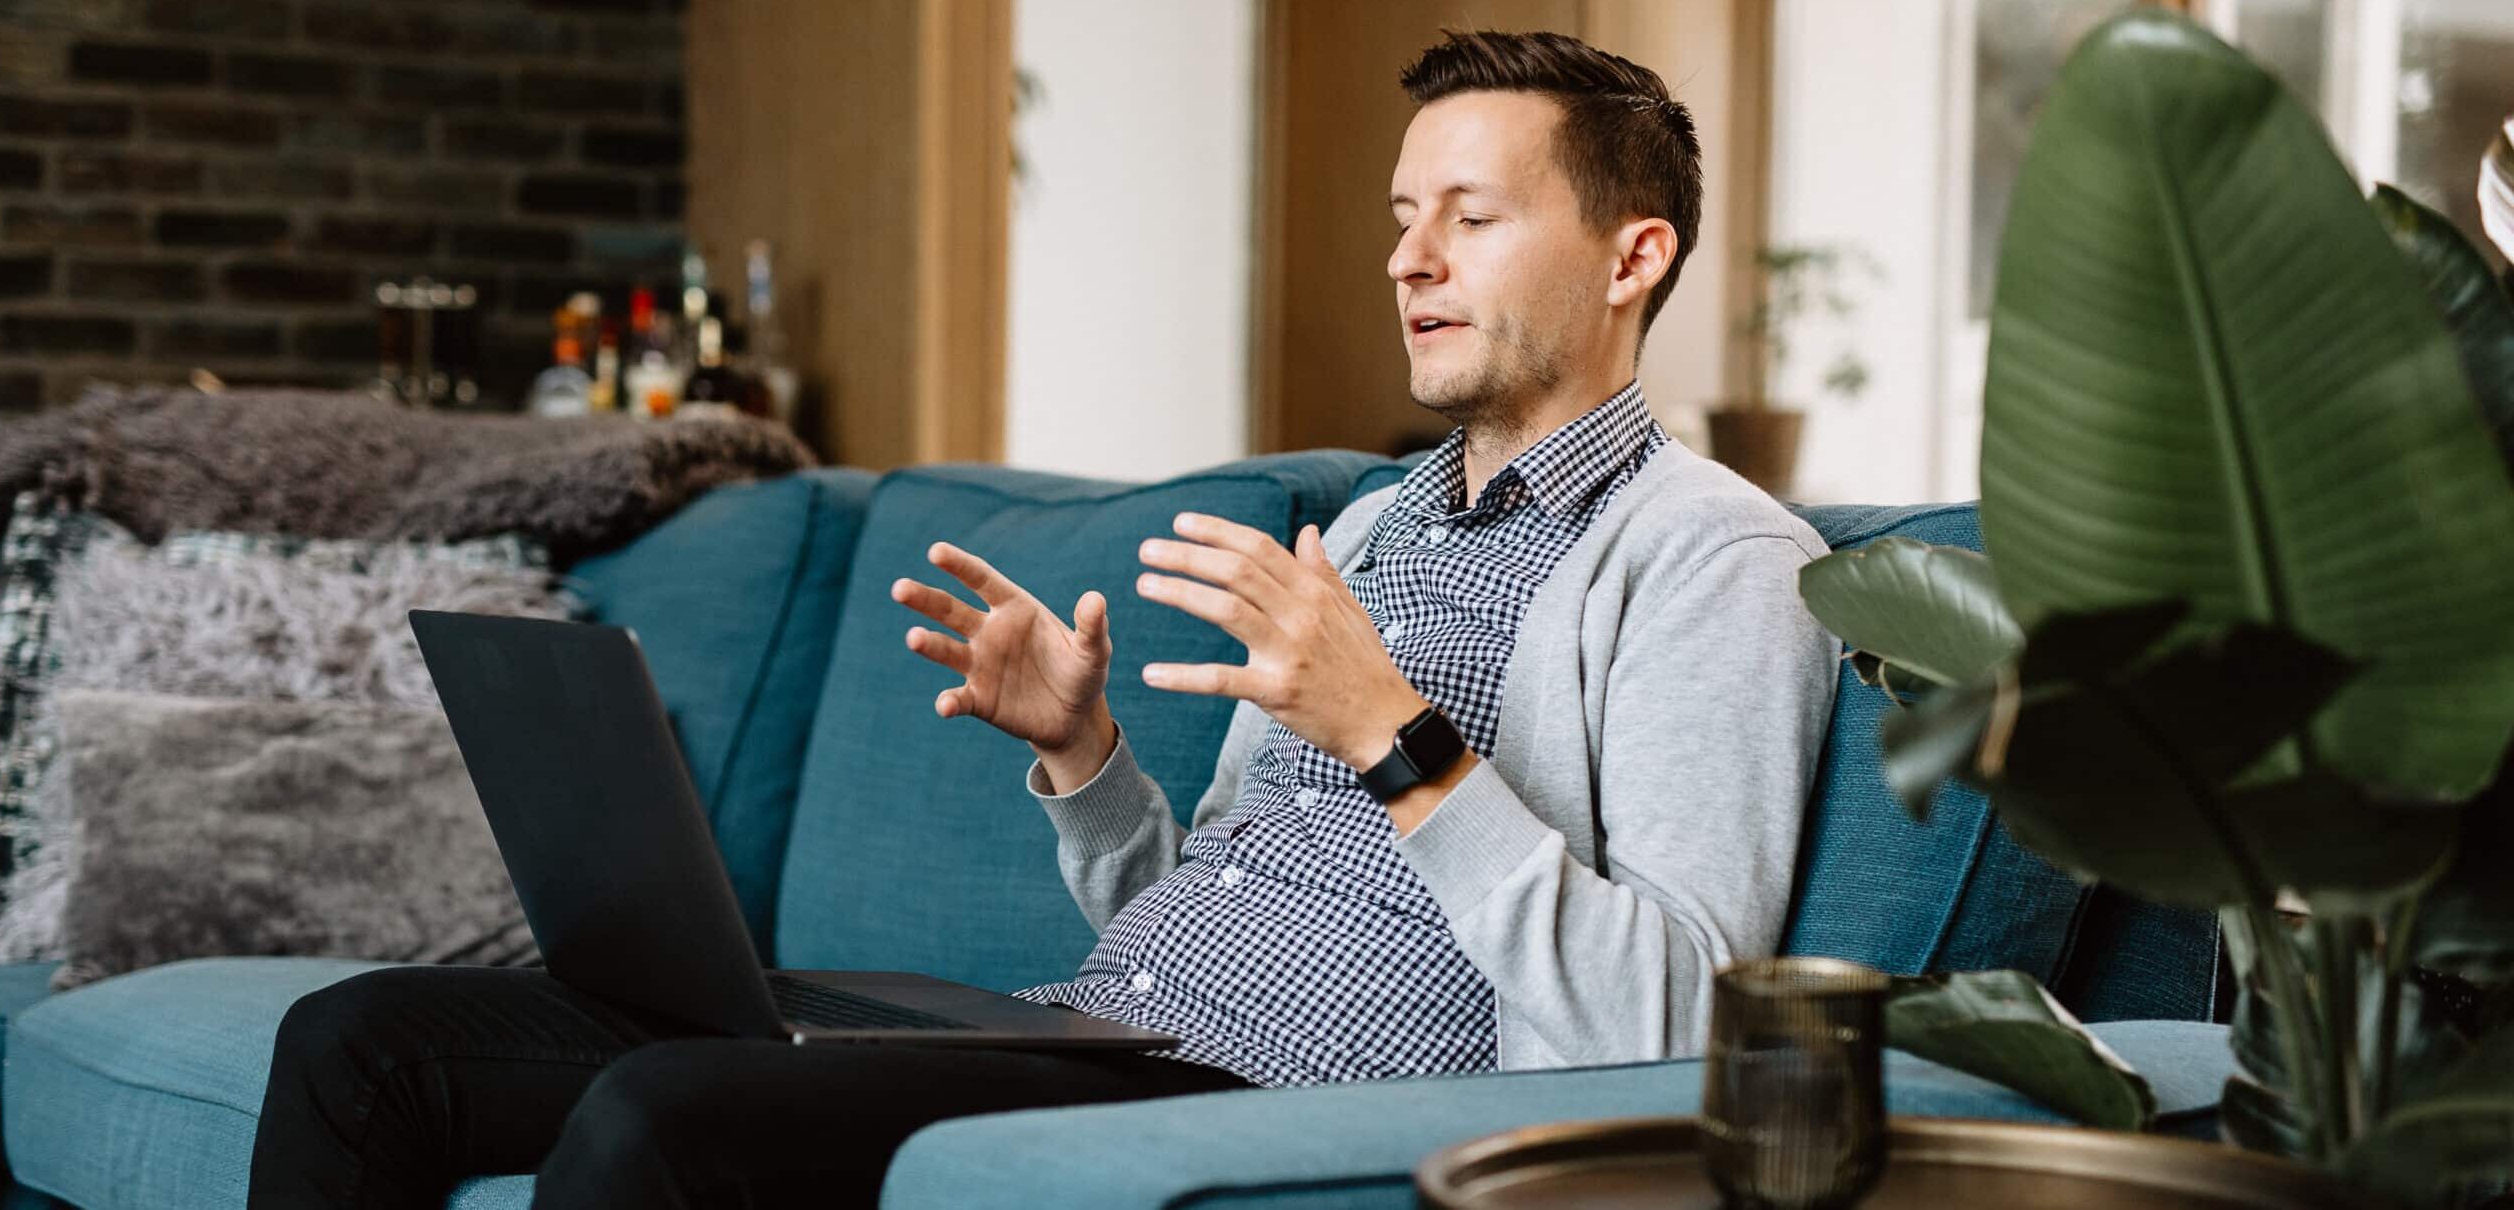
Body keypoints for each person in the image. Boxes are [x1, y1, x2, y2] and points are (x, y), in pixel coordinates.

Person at [246, 29, 1837, 1209]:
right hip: (1097, 1037)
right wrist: (1084, 758)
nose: (1411, 259)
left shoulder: (1714, 564)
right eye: (1401, 216)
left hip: (1274, 1103)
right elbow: (1206, 899)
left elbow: (1677, 1026)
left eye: (1472, 219)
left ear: (1636, 255)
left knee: (667, 1118)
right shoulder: (1369, 523)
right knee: (361, 1040)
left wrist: (1395, 739)